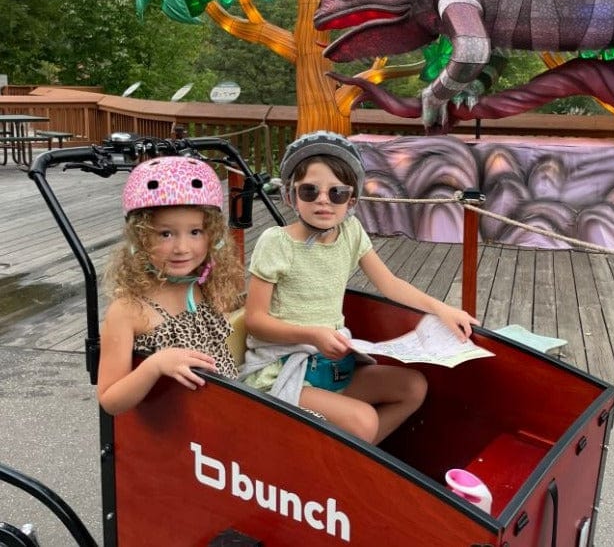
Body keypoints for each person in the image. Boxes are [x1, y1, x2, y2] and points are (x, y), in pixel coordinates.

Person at [240, 131, 476, 444]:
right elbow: (256, 320)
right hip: (286, 369)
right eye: (310, 191)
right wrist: (312, 334)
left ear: (351, 200)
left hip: (334, 364)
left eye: (337, 193)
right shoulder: (276, 243)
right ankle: (349, 463)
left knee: (413, 387)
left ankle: (349, 458)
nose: (323, 200)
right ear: (291, 196)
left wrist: (441, 308)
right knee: (364, 422)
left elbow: (389, 283)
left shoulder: (350, 231)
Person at [97, 155, 244, 415]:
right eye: (165, 234)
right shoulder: (128, 310)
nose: (182, 248)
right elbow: (110, 400)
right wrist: (154, 365)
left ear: (212, 235)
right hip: (181, 434)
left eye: (195, 232)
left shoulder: (205, 285)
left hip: (224, 411)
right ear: (140, 237)